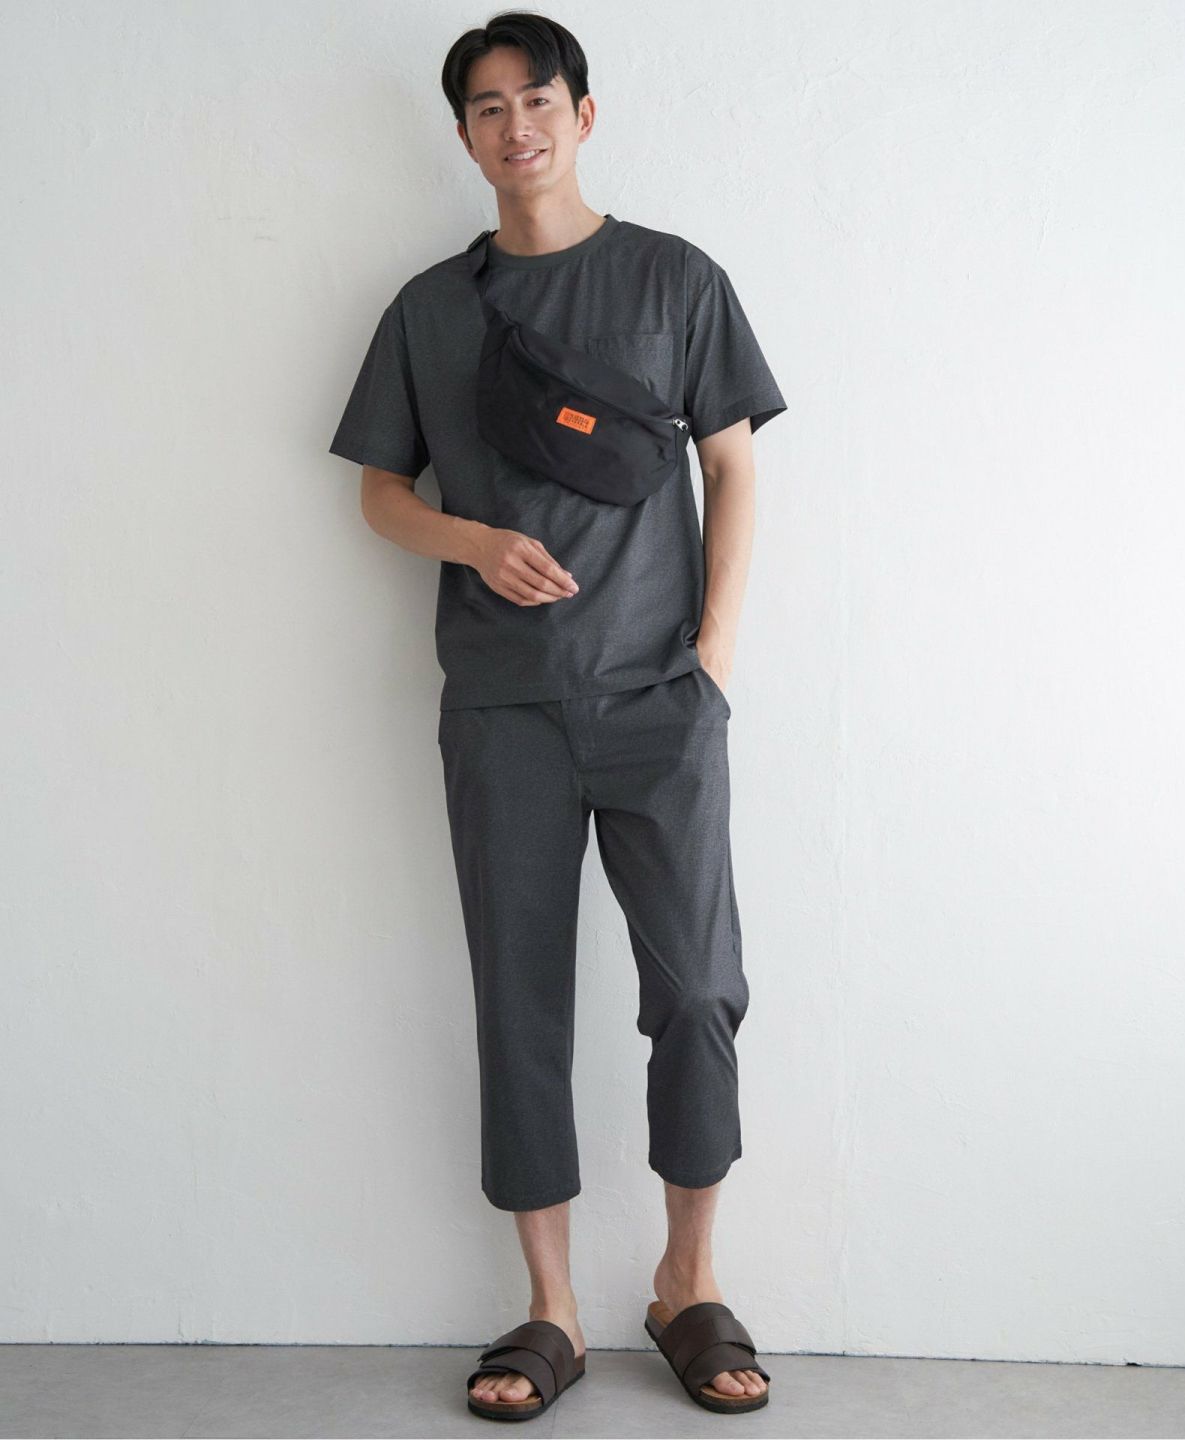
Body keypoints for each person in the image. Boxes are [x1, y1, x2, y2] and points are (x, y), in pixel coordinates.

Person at [329, 11, 787, 1422]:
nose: (514, 126)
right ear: (464, 135)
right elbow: (379, 492)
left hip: (661, 702)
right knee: (518, 996)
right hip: (503, 705)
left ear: (583, 116)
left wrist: (711, 660)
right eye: (486, 108)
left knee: (697, 989)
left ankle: (686, 1283)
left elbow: (733, 466)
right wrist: (471, 543)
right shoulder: (430, 309)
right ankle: (551, 1308)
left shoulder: (674, 278)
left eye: (537, 99)